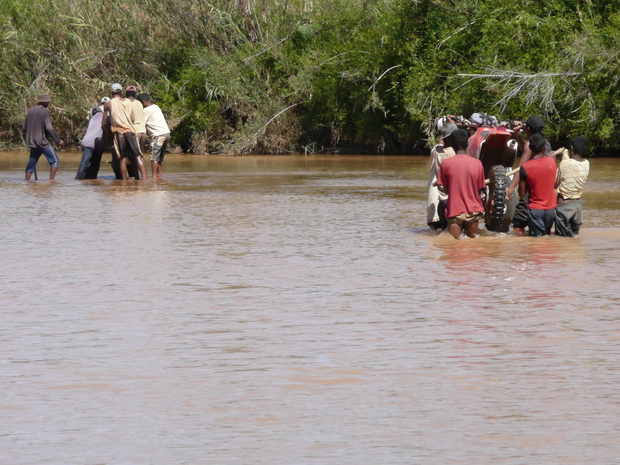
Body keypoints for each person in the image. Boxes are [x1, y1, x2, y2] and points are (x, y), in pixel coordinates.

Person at [436, 129, 486, 239]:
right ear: (467, 143)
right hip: (474, 209)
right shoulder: (477, 164)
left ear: (451, 144)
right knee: (474, 244)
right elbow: (480, 189)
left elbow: (445, 191)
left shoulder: (446, 164)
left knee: (453, 246)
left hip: (455, 209)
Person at [507, 115, 552, 234]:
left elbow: (521, 169)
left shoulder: (530, 144)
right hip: (545, 191)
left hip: (531, 192)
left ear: (528, 129)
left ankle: (526, 250)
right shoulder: (545, 143)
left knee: (517, 227)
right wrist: (518, 136)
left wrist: (511, 188)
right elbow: (529, 152)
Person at [101, 83, 147, 180]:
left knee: (122, 158)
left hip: (119, 133)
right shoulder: (128, 102)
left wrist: (109, 134)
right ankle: (144, 180)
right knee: (138, 155)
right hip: (131, 131)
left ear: (111, 92)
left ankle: (124, 183)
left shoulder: (108, 104)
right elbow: (133, 118)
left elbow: (104, 123)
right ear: (121, 92)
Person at [518, 133, 557, 237]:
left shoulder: (525, 167)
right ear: (544, 148)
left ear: (530, 148)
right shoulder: (552, 162)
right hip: (551, 209)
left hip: (535, 210)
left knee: (536, 241)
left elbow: (521, 194)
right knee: (546, 238)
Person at [23, 93, 66, 181]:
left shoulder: (30, 111)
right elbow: (49, 128)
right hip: (43, 142)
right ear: (44, 102)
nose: (48, 103)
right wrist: (58, 140)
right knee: (55, 160)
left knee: (32, 163)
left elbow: (24, 128)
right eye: (48, 102)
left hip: (32, 142)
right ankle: (52, 181)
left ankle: (27, 182)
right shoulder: (45, 111)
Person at [554, 136, 590, 237]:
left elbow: (555, 183)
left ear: (571, 148)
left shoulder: (564, 164)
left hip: (564, 206)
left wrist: (554, 160)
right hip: (577, 206)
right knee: (574, 237)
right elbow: (572, 166)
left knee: (561, 238)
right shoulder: (587, 163)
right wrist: (564, 159)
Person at [427, 121, 458, 230]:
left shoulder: (436, 151)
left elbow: (440, 144)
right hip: (450, 199)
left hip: (440, 199)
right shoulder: (454, 153)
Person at [137, 93, 171, 179]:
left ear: (143, 102)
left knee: (154, 158)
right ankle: (159, 176)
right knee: (159, 158)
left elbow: (141, 122)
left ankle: (154, 178)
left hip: (158, 135)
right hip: (166, 134)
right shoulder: (156, 107)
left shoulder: (146, 110)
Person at [76, 107, 105, 180]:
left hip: (87, 141)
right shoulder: (104, 117)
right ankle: (91, 179)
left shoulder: (92, 119)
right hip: (96, 143)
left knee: (85, 162)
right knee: (94, 163)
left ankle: (80, 180)